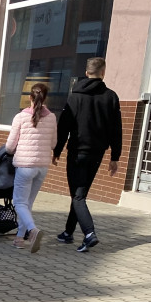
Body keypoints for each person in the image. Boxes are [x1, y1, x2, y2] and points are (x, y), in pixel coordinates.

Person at [52, 57, 123, 252]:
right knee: (79, 194)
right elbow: (117, 129)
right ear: (103, 73)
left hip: (77, 152)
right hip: (97, 153)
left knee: (78, 195)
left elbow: (64, 126)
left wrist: (56, 150)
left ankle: (89, 234)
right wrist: (115, 157)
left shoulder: (75, 96)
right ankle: (68, 232)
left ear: (86, 73)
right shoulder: (111, 97)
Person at [5, 82, 56, 252]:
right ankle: (20, 238)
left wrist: (10, 151)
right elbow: (54, 143)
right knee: (28, 203)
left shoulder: (21, 117)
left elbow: (10, 146)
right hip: (42, 166)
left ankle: (32, 230)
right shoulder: (52, 117)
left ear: (30, 97)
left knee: (19, 202)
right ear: (45, 97)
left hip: (25, 165)